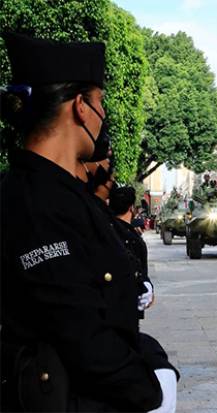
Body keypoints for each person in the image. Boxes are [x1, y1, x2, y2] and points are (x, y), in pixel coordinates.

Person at [0, 33, 177, 412]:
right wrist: (149, 391)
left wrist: (151, 357)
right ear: (81, 106)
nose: (102, 115)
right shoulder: (36, 201)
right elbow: (78, 333)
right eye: (100, 102)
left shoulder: (63, 194)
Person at [109, 186, 154, 321]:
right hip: (124, 306)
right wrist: (146, 286)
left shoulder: (104, 229)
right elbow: (139, 271)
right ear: (131, 208)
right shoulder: (132, 238)